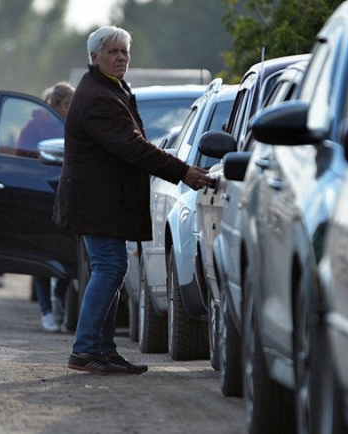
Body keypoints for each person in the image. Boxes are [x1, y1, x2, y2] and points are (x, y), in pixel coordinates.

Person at [54, 26, 214, 375]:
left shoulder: (110, 89)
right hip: (97, 202)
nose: (121, 57)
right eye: (112, 51)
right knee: (110, 268)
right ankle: (85, 350)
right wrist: (182, 170)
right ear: (94, 57)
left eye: (124, 51)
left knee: (111, 268)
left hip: (104, 202)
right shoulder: (98, 97)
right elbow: (132, 146)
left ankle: (103, 350)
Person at [17, 82, 76, 333]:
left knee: (65, 252)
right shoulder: (33, 128)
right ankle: (46, 311)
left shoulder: (70, 126)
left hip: (64, 197)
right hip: (39, 196)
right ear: (54, 105)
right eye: (67, 106)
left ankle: (58, 297)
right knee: (42, 258)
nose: (70, 110)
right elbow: (22, 156)